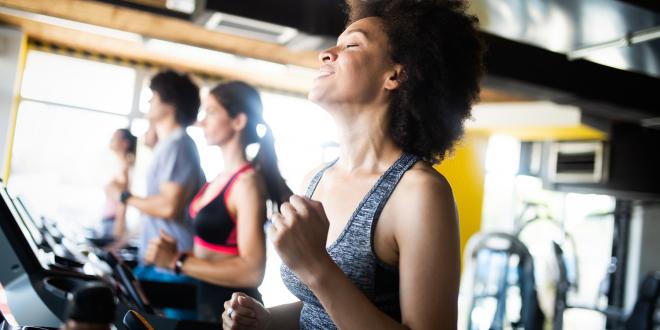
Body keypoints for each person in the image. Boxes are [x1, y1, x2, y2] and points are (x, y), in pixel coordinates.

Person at [222, 0, 484, 329]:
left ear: (395, 74)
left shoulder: (419, 193)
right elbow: (318, 310)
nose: (326, 53)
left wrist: (318, 267)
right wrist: (267, 320)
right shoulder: (315, 179)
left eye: (352, 44)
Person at [144, 81, 292, 322]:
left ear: (238, 121)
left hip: (232, 315)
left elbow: (251, 272)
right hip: (206, 300)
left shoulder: (247, 183)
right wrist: (177, 253)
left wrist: (177, 261)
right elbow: (213, 249)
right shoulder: (219, 179)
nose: (201, 121)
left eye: (211, 112)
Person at [107, 70, 205, 310]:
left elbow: (169, 207)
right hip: (158, 262)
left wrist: (123, 196)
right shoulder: (168, 145)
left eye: (154, 96)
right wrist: (122, 241)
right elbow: (155, 209)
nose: (149, 102)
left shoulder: (178, 144)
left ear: (171, 104)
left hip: (172, 266)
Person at [100, 128, 136, 240]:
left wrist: (118, 232)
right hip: (109, 220)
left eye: (115, 138)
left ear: (125, 143)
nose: (111, 140)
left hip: (113, 222)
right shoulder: (121, 166)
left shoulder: (124, 168)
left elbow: (123, 201)